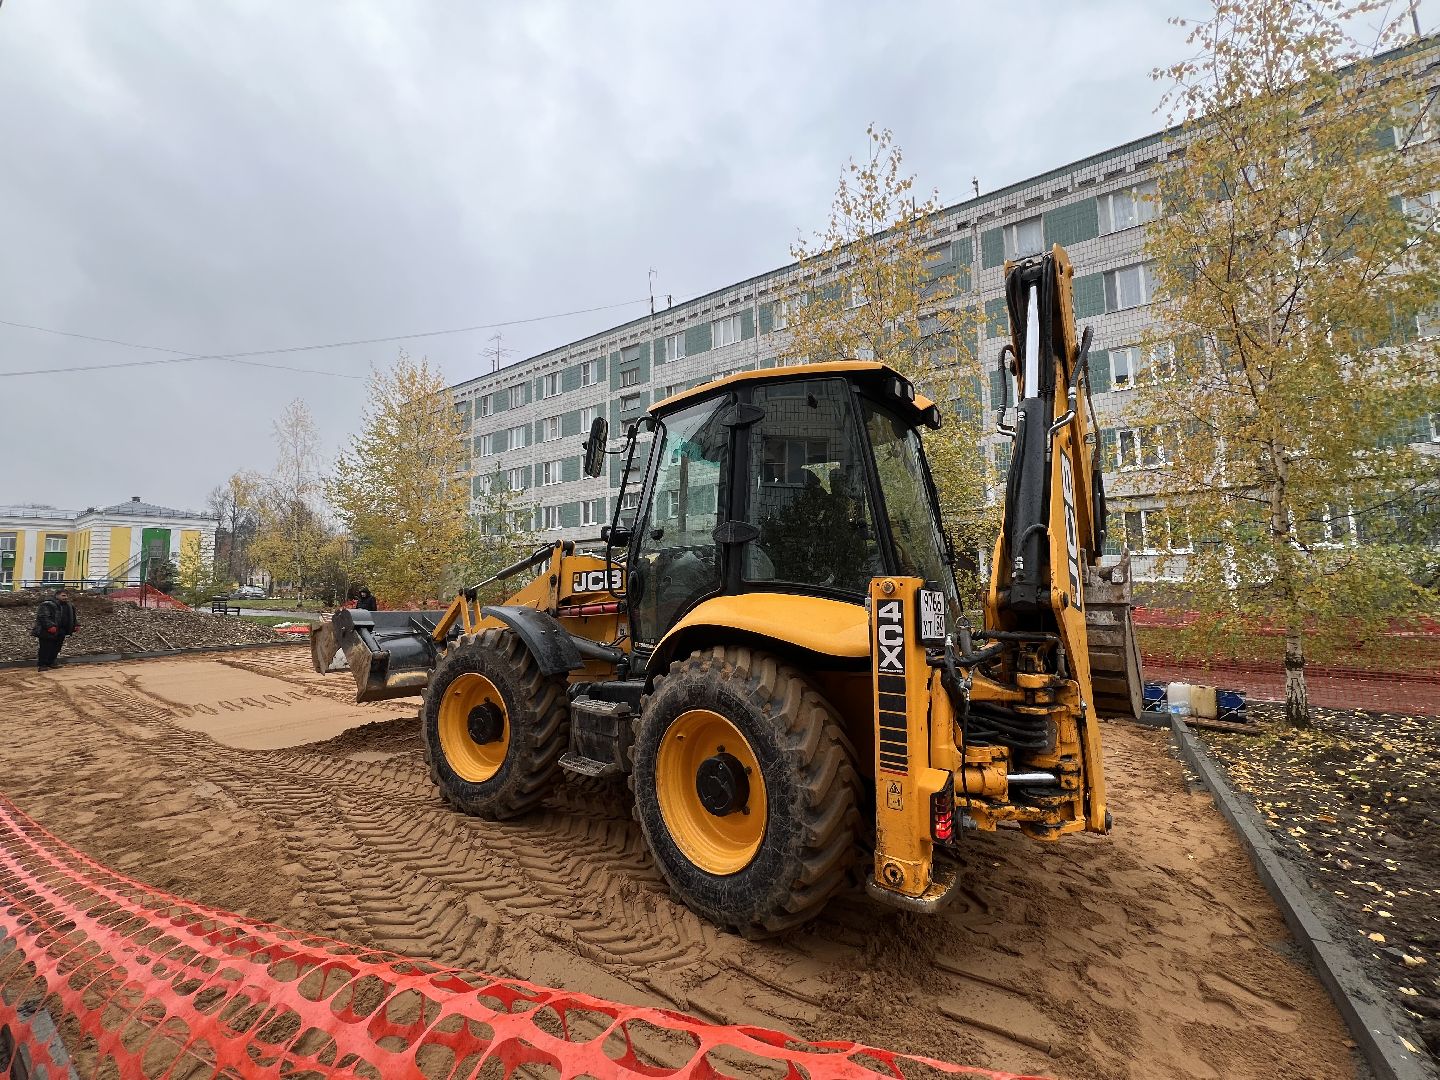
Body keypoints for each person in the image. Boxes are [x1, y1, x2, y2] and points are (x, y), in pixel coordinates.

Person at [33, 589, 79, 671]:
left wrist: (75, 624)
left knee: (56, 647)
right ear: (57, 596)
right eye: (63, 595)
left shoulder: (69, 605)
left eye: (66, 596)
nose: (66, 597)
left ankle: (51, 662)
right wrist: (50, 626)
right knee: (45, 648)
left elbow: (72, 616)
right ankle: (42, 664)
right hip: (47, 631)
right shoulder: (47, 605)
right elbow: (43, 616)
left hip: (61, 630)